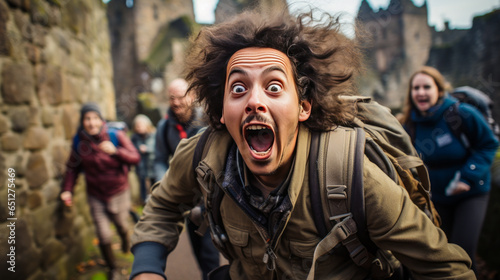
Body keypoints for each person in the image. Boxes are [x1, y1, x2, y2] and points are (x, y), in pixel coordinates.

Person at [129, 10, 475, 280]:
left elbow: (444, 267)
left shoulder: (353, 177)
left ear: (303, 106)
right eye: (238, 89)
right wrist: (147, 265)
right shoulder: (204, 155)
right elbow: (162, 205)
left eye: (274, 87)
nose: (254, 102)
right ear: (221, 111)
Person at [400, 66, 499, 274]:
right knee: (443, 252)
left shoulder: (462, 113)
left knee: (463, 254)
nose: (421, 92)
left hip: (471, 192)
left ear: (439, 90)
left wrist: (467, 176)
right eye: (416, 88)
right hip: (438, 198)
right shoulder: (409, 124)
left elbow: (488, 144)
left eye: (427, 86)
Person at [60, 102, 140, 280]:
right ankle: (113, 269)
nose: (91, 122)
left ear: (101, 120)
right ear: (82, 121)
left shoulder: (115, 135)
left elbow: (135, 157)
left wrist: (116, 151)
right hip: (96, 195)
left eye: (95, 118)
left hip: (119, 190)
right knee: (103, 235)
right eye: (87, 119)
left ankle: (126, 241)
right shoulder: (79, 142)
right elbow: (72, 168)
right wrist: (67, 190)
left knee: (121, 224)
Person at [153, 78, 220, 280]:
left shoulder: (209, 121)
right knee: (198, 248)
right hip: (187, 202)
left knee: (211, 253)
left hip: (211, 197)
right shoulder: (164, 128)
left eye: (180, 97)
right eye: (171, 98)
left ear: (192, 96)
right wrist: (164, 185)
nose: (176, 102)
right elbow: (159, 160)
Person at [131, 114, 156, 204]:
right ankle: (144, 201)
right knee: (142, 184)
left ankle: (155, 200)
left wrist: (147, 149)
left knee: (154, 184)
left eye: (141, 125)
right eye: (137, 126)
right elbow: (131, 149)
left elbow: (158, 148)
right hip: (141, 166)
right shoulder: (134, 137)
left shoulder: (154, 135)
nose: (139, 128)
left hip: (152, 165)